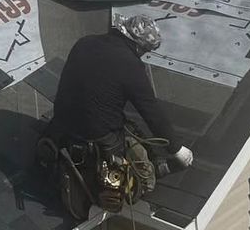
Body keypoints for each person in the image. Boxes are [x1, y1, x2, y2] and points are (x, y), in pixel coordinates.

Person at [48, 17, 193, 207]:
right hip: (97, 137)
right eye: (145, 51)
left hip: (61, 124)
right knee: (141, 168)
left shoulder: (85, 42)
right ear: (138, 45)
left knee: (126, 125)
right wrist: (176, 148)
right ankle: (153, 170)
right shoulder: (130, 65)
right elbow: (150, 110)